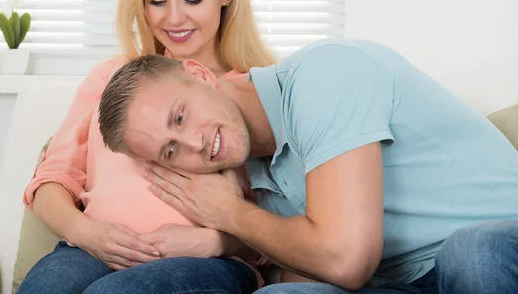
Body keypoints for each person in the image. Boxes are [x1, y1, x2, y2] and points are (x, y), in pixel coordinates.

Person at [97, 38, 518, 294]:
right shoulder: (258, 180)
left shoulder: (325, 75)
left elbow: (347, 261)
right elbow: (316, 276)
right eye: (171, 152)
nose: (194, 144)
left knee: (472, 251)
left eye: (181, 117)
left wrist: (229, 215)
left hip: (497, 246)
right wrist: (224, 243)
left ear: (200, 74)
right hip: (407, 283)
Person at [17, 0, 279, 294]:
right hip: (89, 251)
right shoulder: (114, 79)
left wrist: (215, 243)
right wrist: (88, 233)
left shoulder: (257, 93)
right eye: (157, 1)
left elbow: (283, 225)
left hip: (207, 263)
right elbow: (51, 181)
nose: (174, 18)